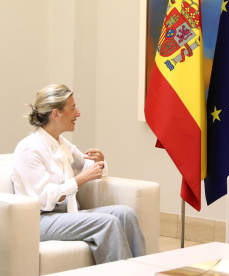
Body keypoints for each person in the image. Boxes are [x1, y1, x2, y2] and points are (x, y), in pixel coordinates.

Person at [12, 84, 146, 264]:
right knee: (108, 223)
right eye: (73, 108)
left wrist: (98, 161)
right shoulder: (28, 148)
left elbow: (87, 166)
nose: (78, 113)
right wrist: (81, 179)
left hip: (65, 214)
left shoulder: (61, 143)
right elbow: (42, 199)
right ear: (56, 114)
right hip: (39, 220)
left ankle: (143, 270)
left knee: (126, 214)